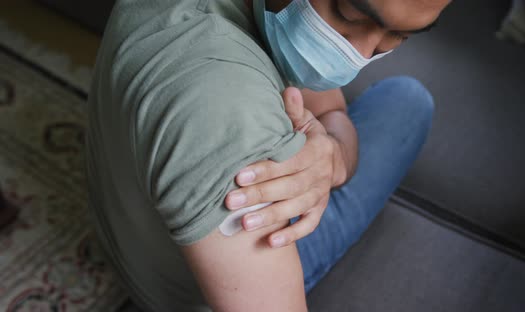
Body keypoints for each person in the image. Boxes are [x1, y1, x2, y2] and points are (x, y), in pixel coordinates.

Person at [85, 0, 450, 311]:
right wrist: (338, 150)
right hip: (187, 295)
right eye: (349, 13)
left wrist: (333, 155)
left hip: (126, 232)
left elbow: (328, 109)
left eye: (399, 36)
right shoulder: (223, 112)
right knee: (408, 104)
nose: (360, 52)